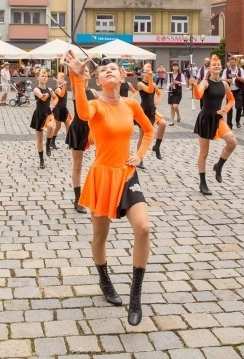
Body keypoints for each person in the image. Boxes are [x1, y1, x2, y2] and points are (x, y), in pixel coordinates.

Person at [64, 51, 154, 326]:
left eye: (114, 68)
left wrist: (139, 155)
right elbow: (81, 112)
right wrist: (77, 78)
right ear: (98, 80)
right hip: (102, 177)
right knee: (100, 236)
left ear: (122, 76)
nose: (110, 71)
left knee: (144, 228)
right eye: (104, 71)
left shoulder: (131, 104)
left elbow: (148, 130)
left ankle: (135, 296)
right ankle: (104, 279)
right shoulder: (95, 106)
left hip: (127, 175)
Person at [191, 54, 237, 196]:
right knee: (204, 153)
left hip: (217, 119)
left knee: (232, 142)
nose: (216, 66)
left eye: (218, 65)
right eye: (213, 65)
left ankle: (218, 166)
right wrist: (194, 85)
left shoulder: (224, 84)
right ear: (209, 68)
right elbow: (198, 96)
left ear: (221, 67)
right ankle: (203, 182)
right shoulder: (205, 82)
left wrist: (225, 110)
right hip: (205, 118)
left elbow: (231, 100)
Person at [66, 65, 96, 214]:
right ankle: (78, 199)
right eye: (81, 72)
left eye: (86, 72)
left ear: (90, 75)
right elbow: (73, 81)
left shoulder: (95, 93)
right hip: (78, 129)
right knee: (77, 166)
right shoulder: (76, 91)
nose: (84, 74)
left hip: (92, 130)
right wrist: (74, 71)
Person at [136, 64, 167, 167]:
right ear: (142, 73)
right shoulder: (140, 84)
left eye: (149, 70)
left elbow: (159, 94)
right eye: (146, 70)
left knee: (163, 123)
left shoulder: (153, 84)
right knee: (142, 135)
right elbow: (149, 90)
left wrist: (157, 101)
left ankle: (157, 146)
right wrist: (150, 78)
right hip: (144, 110)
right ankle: (139, 158)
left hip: (152, 109)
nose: (148, 71)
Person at [30, 69, 55, 168]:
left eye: (46, 76)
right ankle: (41, 160)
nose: (44, 77)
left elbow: (56, 97)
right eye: (42, 76)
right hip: (39, 115)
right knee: (39, 139)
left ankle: (48, 144)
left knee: (51, 127)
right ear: (38, 78)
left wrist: (53, 104)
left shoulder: (49, 88)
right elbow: (42, 97)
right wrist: (44, 95)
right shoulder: (36, 89)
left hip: (48, 113)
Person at [220, 57, 244, 129]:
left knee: (239, 107)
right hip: (229, 91)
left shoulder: (240, 70)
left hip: (238, 90)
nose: (232, 64)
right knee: (229, 108)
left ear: (236, 62)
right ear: (229, 63)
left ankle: (237, 121)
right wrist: (227, 80)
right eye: (231, 63)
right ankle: (229, 124)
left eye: (233, 62)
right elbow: (222, 79)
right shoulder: (226, 70)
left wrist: (238, 78)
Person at [49, 72, 70, 151]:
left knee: (68, 124)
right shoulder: (57, 89)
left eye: (63, 77)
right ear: (56, 79)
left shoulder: (62, 87)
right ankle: (52, 141)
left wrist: (64, 85)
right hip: (58, 109)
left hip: (64, 108)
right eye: (60, 78)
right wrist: (64, 85)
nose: (62, 79)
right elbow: (61, 94)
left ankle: (70, 141)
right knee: (58, 126)